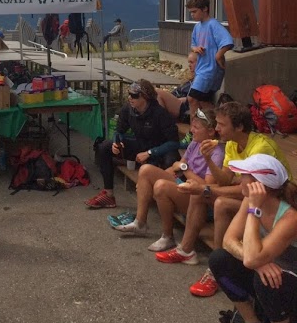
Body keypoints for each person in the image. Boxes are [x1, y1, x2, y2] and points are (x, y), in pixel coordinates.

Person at [162, 101, 294, 270]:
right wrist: (208, 159)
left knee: (220, 203)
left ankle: (217, 267)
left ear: (239, 127)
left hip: (273, 201)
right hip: (253, 197)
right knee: (200, 195)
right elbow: (225, 180)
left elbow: (251, 189)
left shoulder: (261, 148)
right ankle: (187, 251)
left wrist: (205, 188)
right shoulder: (232, 143)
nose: (217, 129)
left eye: (222, 124)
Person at [113, 101, 223, 296]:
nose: (191, 130)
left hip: (201, 201)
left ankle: (168, 236)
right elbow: (176, 167)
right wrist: (161, 176)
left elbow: (205, 186)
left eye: (196, 127)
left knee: (161, 186)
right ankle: (140, 222)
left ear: (211, 131)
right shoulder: (195, 144)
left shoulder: (217, 152)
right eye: (192, 126)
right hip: (185, 187)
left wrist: (183, 170)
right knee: (146, 170)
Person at [209, 154, 297, 323]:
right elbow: (228, 240)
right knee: (219, 259)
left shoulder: (291, 218)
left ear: (259, 185)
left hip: (289, 285)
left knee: (268, 280)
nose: (239, 179)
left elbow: (251, 259)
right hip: (272, 275)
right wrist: (259, 264)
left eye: (244, 176)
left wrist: (254, 210)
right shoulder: (250, 202)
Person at [84, 77, 179, 210]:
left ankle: (172, 198)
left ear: (145, 97)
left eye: (134, 95)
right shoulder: (128, 109)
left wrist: (150, 153)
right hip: (141, 145)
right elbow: (119, 131)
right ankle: (108, 194)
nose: (130, 98)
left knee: (172, 158)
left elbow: (174, 142)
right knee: (104, 146)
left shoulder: (160, 113)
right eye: (129, 94)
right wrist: (116, 142)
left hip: (160, 149)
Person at [188, 0, 235, 109]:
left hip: (210, 70)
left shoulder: (213, 24)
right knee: (202, 101)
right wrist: (196, 48)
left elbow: (228, 41)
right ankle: (214, 117)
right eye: (191, 12)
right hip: (201, 68)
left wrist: (218, 55)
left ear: (205, 8)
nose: (192, 15)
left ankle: (194, 120)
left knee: (192, 98)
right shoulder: (197, 27)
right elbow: (193, 45)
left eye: (194, 11)